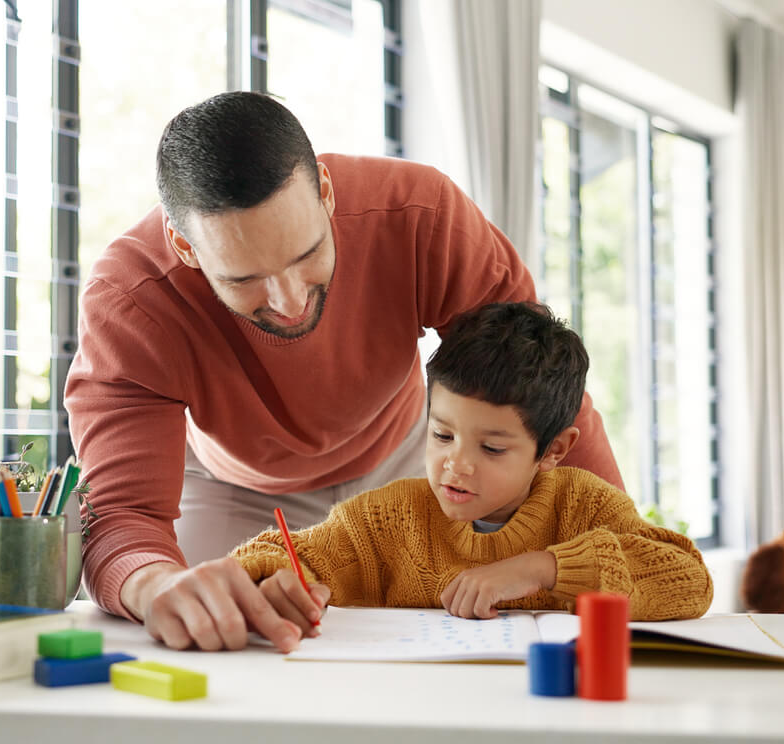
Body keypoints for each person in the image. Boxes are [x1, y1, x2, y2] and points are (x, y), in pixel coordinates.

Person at [65, 91, 625, 652]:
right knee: (209, 634)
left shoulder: (418, 211)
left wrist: (620, 544)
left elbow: (539, 386)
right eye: (244, 279)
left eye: (307, 253)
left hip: (409, 454)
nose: (287, 303)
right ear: (185, 247)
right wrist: (154, 583)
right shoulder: (131, 300)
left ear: (326, 194)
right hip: (234, 484)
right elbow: (122, 514)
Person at [232, 302, 713, 631]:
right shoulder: (388, 520)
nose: (455, 466)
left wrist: (542, 567)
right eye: (442, 436)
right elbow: (269, 555)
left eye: (492, 449)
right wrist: (277, 581)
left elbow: (690, 579)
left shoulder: (582, 505)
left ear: (553, 451)